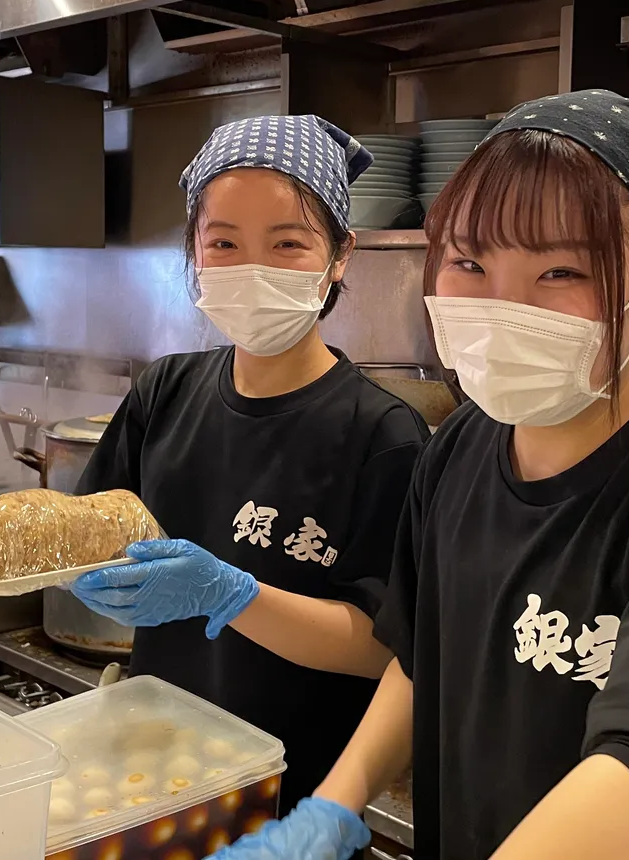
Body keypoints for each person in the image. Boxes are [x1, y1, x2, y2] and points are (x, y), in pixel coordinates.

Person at [210, 92, 629, 860]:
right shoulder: (457, 452)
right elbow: (422, 659)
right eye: (468, 262)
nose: (503, 304)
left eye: (560, 270)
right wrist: (336, 803)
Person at [67, 114, 429, 813]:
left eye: (288, 243)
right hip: (155, 779)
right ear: (194, 252)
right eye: (223, 242)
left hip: (289, 799)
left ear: (340, 254)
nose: (250, 267)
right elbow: (91, 531)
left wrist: (231, 595)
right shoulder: (164, 392)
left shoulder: (384, 435)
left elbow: (386, 649)